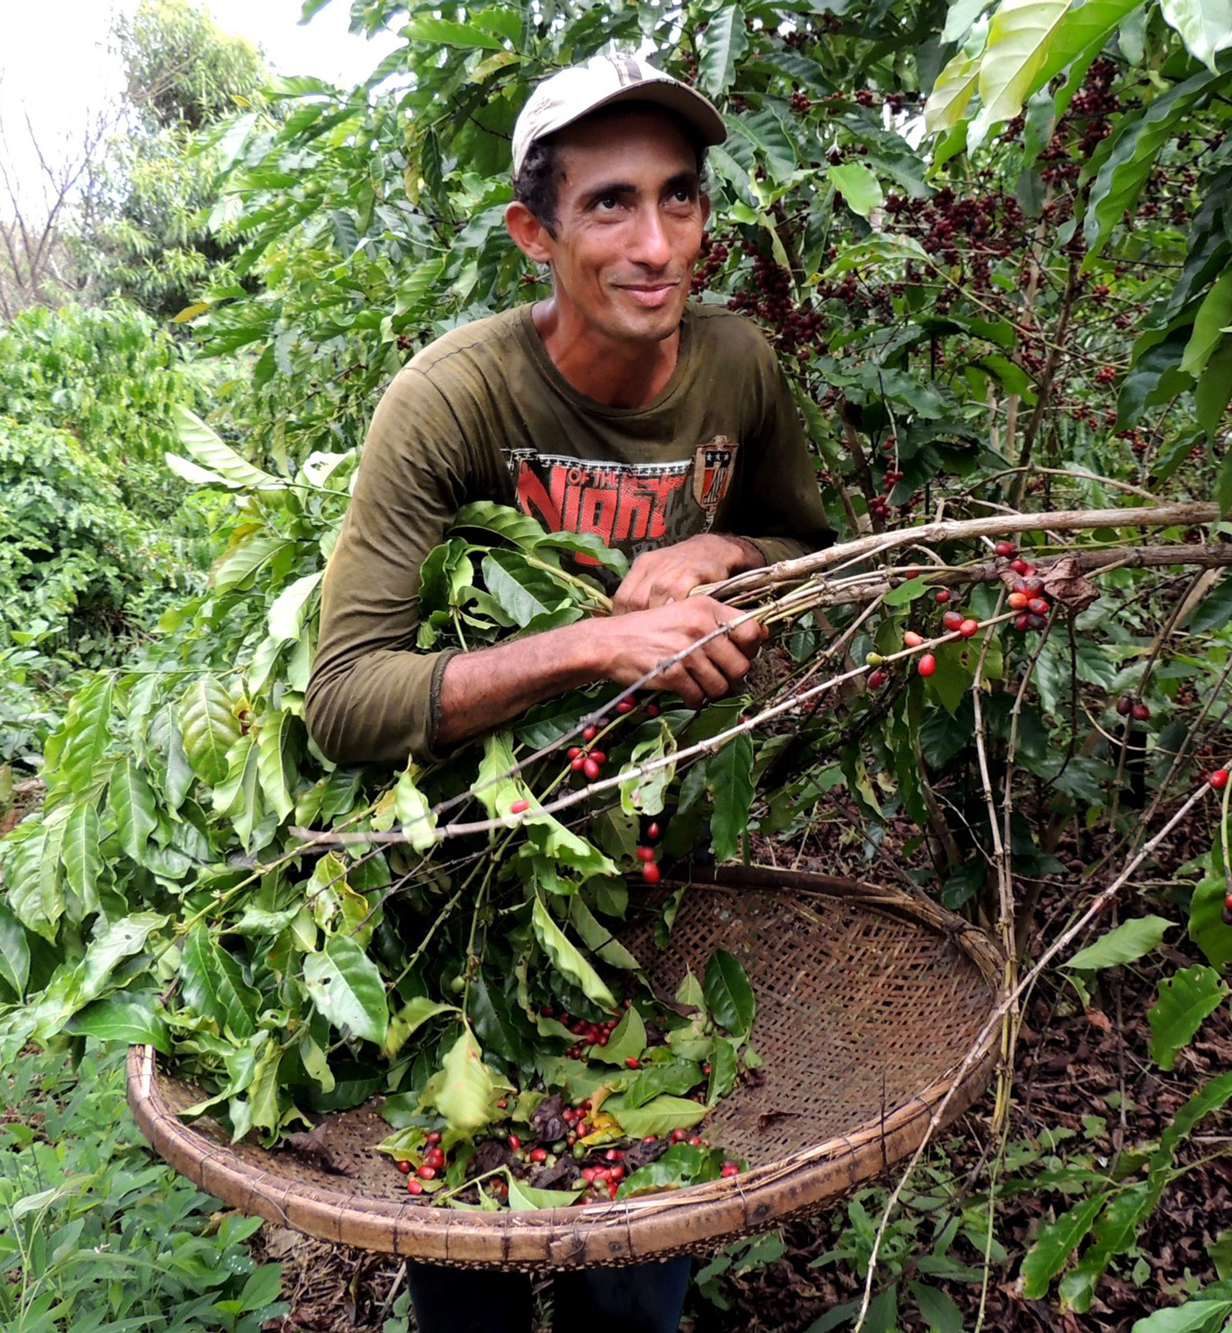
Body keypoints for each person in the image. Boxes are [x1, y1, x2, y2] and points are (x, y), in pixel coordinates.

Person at [303, 51, 832, 1333]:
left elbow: (820, 552)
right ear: (533, 232)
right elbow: (347, 694)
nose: (655, 243)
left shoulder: (738, 370)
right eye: (608, 205)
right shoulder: (453, 397)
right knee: (468, 1258)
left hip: (656, 875)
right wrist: (598, 645)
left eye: (680, 198)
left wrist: (725, 554)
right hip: (471, 882)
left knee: (636, 1273)